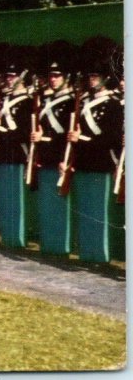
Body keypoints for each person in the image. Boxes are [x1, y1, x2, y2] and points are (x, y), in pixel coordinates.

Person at [67, 37, 124, 263]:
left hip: (101, 164)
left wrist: (82, 138)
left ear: (105, 78)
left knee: (100, 212)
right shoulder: (82, 104)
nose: (91, 81)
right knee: (86, 211)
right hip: (83, 163)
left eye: (95, 77)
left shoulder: (112, 105)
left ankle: (100, 255)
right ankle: (87, 252)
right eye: (90, 76)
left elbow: (109, 139)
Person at [30, 41, 76, 255]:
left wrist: (44, 139)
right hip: (44, 157)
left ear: (65, 77)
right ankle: (48, 244)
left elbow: (66, 133)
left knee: (60, 205)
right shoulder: (44, 99)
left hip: (60, 157)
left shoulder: (71, 102)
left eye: (57, 75)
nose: (53, 79)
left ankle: (60, 247)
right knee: (47, 204)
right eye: (51, 75)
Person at [0, 46, 35, 248]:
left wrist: (1, 130)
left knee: (17, 200)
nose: (9, 79)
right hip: (2, 155)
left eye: (13, 76)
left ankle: (17, 239)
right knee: (4, 200)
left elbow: (23, 133)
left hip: (17, 155)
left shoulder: (28, 102)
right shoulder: (4, 99)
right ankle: (7, 236)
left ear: (22, 77)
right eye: (7, 76)